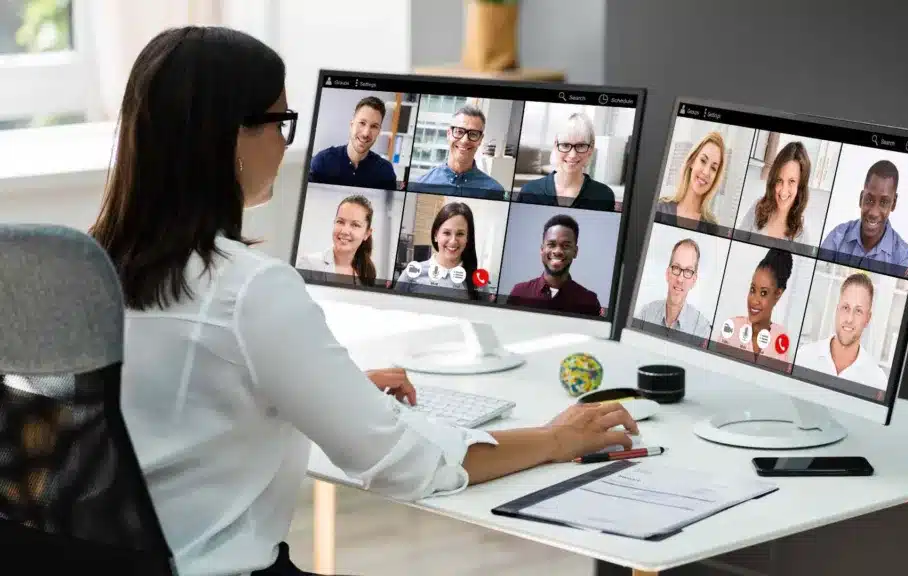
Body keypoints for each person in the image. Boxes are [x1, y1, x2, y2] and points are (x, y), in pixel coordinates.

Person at [89, 26, 638, 576]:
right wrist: (554, 438)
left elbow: (181, 398)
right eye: (281, 122)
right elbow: (406, 466)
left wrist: (332, 387)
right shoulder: (251, 288)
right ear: (230, 136)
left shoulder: (85, 266)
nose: (286, 143)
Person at [794, 273, 888, 389]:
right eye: (845, 308)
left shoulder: (877, 381)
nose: (849, 319)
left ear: (867, 319)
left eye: (858, 311)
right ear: (837, 309)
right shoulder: (804, 357)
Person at [820, 160, 908, 269]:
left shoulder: (902, 256)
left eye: (884, 202)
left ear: (893, 203)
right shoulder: (837, 238)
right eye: (869, 200)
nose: (874, 212)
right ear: (861, 198)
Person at [517, 112, 616, 211]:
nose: (572, 155)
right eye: (565, 145)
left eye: (581, 146)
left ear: (591, 149)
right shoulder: (529, 191)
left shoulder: (604, 195)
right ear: (556, 146)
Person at [507, 214, 602, 316]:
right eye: (551, 245)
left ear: (575, 251)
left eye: (566, 246)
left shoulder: (589, 301)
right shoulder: (519, 292)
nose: (557, 251)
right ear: (542, 249)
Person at [408, 105, 505, 199]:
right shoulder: (421, 185)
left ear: (480, 139)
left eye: (473, 134)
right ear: (449, 134)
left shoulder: (494, 191)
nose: (464, 140)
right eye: (459, 131)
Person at [717, 248, 793, 362]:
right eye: (752, 290)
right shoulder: (732, 327)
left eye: (763, 293)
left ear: (778, 294)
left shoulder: (781, 338)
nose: (754, 300)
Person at [395, 202, 483, 299]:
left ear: (468, 238)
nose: (453, 241)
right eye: (446, 233)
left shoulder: (479, 281)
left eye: (460, 234)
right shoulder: (411, 275)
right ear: (436, 235)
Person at [308, 96, 398, 189]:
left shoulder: (385, 172)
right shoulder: (322, 162)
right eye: (362, 123)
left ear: (379, 131)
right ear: (352, 125)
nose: (366, 133)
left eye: (374, 126)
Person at [635, 238, 712, 339]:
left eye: (688, 271)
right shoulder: (645, 314)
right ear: (667, 273)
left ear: (694, 280)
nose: (680, 279)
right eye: (676, 268)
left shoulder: (702, 329)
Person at [737, 141, 811, 244]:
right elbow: (737, 245)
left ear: (800, 186)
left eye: (792, 181)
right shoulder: (758, 208)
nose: (783, 191)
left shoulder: (801, 234)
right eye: (779, 180)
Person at [295, 195, 376, 286]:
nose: (345, 231)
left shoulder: (366, 273)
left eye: (355, 225)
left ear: (367, 234)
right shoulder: (309, 265)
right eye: (340, 222)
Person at [656, 131, 726, 225]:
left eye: (713, 168)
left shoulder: (712, 226)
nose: (706, 172)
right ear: (692, 161)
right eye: (703, 161)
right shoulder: (660, 208)